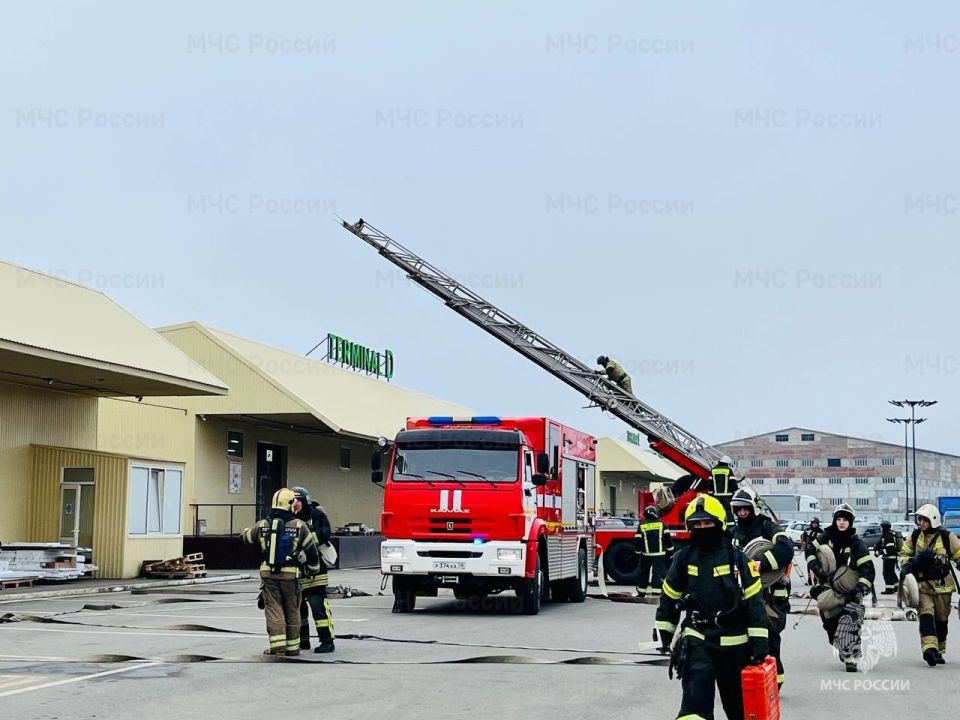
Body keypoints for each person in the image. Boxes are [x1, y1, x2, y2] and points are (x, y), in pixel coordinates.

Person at [656, 494, 769, 720]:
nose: (703, 527)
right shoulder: (684, 558)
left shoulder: (739, 560)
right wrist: (664, 634)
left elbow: (755, 605)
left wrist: (759, 644)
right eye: (697, 524)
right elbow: (669, 598)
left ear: (719, 524)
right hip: (698, 641)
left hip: (736, 648)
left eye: (707, 523)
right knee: (694, 708)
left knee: (740, 711)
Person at [241, 488, 320, 656]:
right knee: (292, 609)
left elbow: (246, 538)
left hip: (268, 575)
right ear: (291, 504)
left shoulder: (263, 524)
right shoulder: (299, 525)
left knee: (274, 609)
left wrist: (249, 531)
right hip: (291, 576)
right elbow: (312, 552)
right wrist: (313, 570)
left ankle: (277, 646)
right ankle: (293, 648)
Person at [729, 488, 794, 688]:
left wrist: (761, 563)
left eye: (745, 508)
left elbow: (786, 548)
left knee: (770, 637)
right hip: (743, 592)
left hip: (771, 595)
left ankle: (776, 680)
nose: (742, 513)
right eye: (738, 509)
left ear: (753, 508)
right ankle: (750, 679)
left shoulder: (767, 527)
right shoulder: (733, 532)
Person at [804, 503, 875, 672]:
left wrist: (859, 590)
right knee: (831, 626)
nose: (842, 523)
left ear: (850, 522)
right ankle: (842, 646)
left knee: (851, 621)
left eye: (845, 520)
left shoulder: (856, 544)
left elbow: (868, 571)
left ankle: (851, 657)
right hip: (828, 588)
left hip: (850, 590)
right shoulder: (824, 537)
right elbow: (809, 551)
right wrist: (819, 571)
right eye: (839, 519)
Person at [899, 504, 960, 666]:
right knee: (926, 616)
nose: (921, 523)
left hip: (943, 586)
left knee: (941, 619)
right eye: (920, 519)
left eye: (924, 520)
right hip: (922, 586)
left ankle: (939, 649)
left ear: (933, 520)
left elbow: (958, 556)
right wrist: (910, 563)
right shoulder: (915, 535)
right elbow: (904, 554)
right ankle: (929, 650)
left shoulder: (948, 537)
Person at [292, 486, 336, 653]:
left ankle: (327, 641)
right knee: (299, 608)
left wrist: (307, 541)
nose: (294, 504)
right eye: (292, 501)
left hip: (316, 571)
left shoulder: (316, 515)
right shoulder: (290, 518)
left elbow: (325, 533)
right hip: (297, 571)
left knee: (318, 607)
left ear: (304, 501)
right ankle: (303, 641)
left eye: (297, 500)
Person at [634, 505, 673, 598]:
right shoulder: (662, 524)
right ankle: (656, 592)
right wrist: (670, 551)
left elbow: (638, 541)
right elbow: (668, 539)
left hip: (646, 554)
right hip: (659, 554)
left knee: (644, 573)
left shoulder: (642, 525)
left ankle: (641, 592)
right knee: (658, 573)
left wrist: (638, 553)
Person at [874, 520, 901, 595]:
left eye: (881, 527)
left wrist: (879, 552)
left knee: (887, 573)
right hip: (890, 558)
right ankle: (897, 587)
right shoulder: (887, 535)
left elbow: (889, 549)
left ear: (884, 527)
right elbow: (879, 544)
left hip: (889, 558)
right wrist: (876, 549)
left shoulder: (888, 536)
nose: (880, 529)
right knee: (891, 572)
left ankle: (889, 589)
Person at [800, 517, 822, 585]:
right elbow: (802, 537)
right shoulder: (807, 530)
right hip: (808, 551)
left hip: (816, 551)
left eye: (815, 523)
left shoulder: (821, 532)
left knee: (816, 564)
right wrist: (803, 543)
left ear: (818, 524)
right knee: (809, 564)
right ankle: (810, 579)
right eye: (813, 523)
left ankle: (816, 579)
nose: (814, 525)